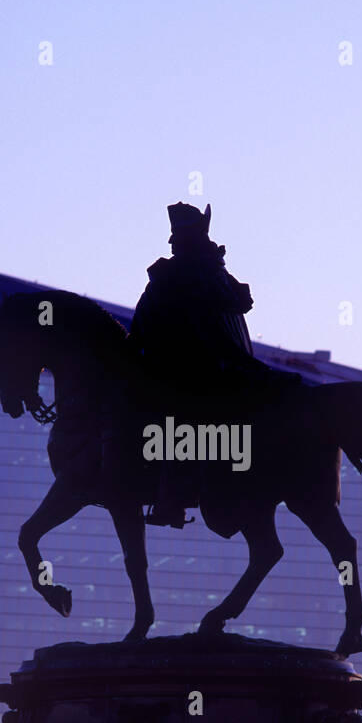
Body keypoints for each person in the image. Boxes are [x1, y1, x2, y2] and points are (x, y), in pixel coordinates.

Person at [127, 202, 298, 527]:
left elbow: (142, 329)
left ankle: (170, 501)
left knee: (168, 426)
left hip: (194, 377)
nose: (174, 243)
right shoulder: (217, 274)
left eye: (177, 237)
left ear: (182, 239)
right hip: (231, 371)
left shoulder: (172, 277)